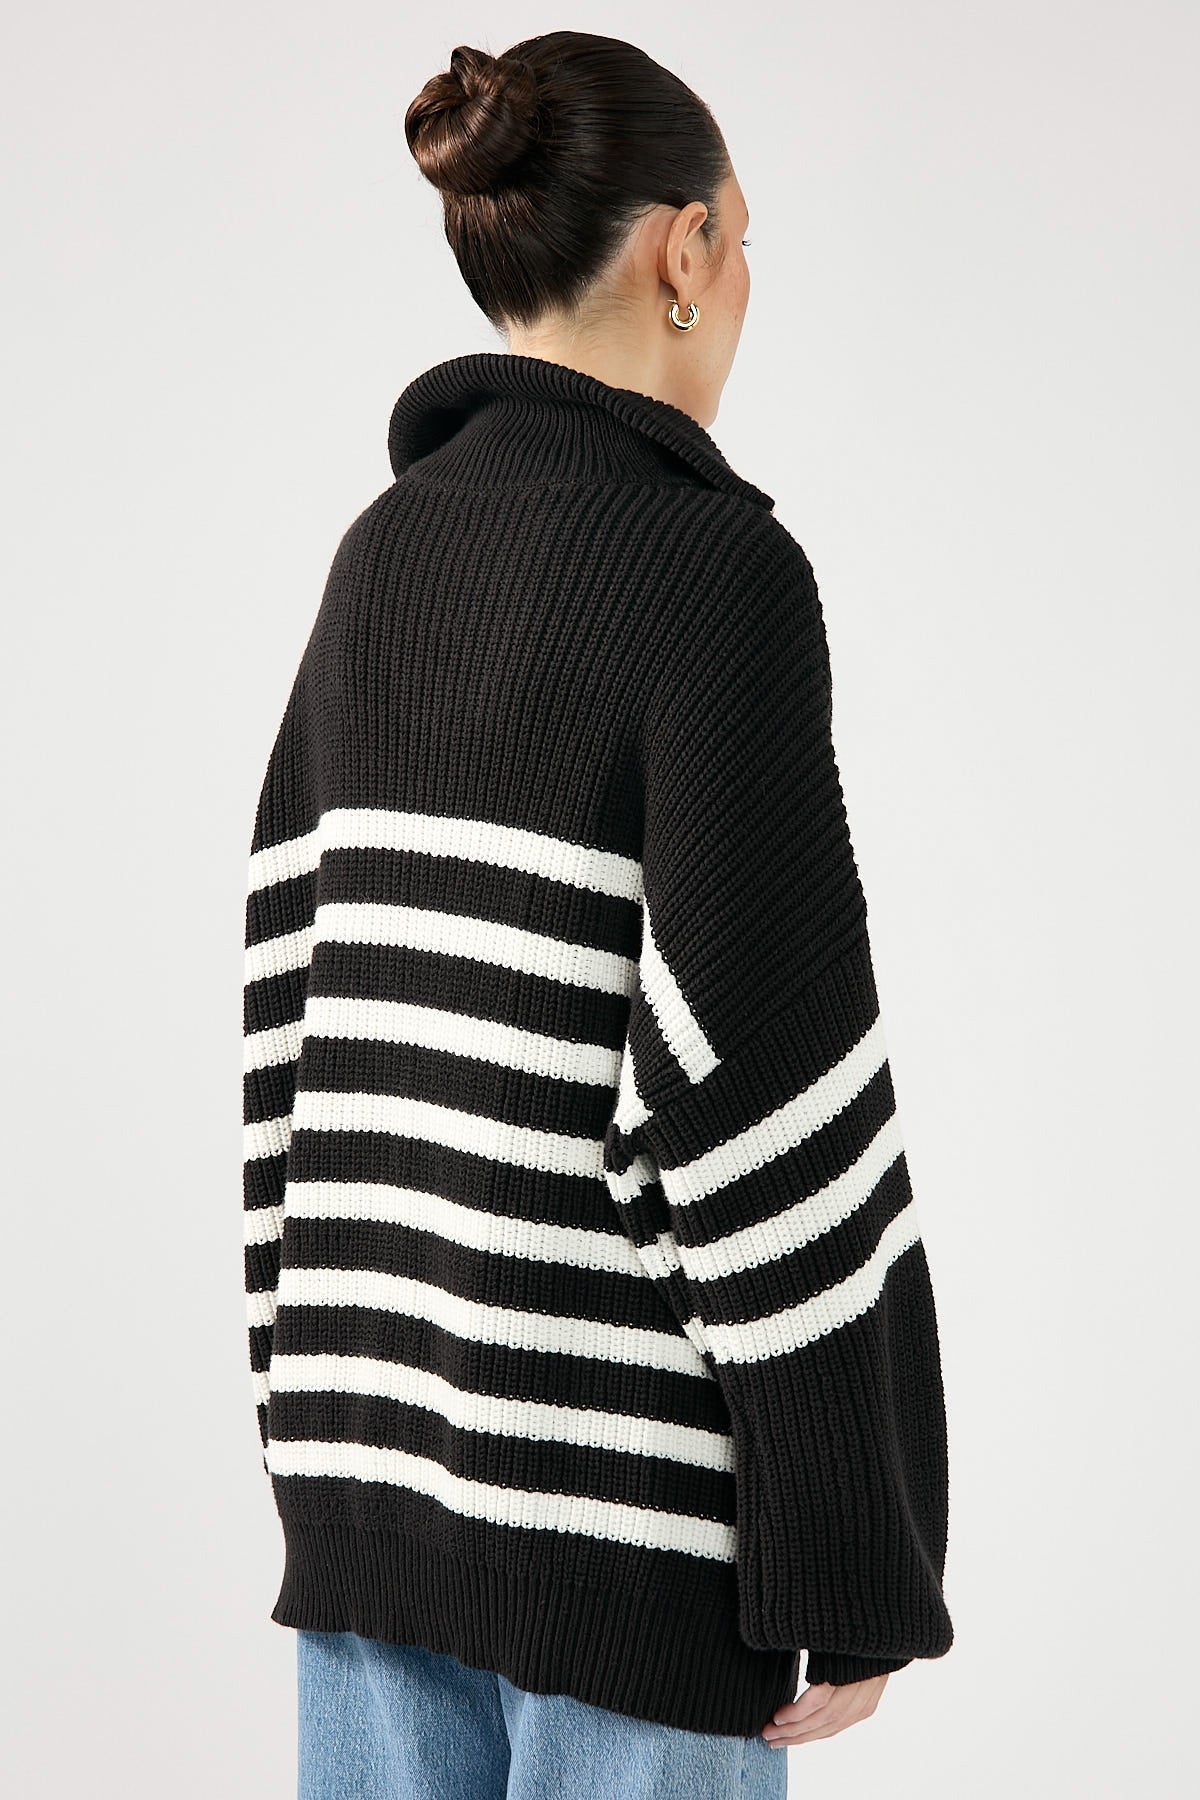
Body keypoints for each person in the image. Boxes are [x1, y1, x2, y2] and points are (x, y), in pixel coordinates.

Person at [241, 29, 954, 1799]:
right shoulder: (712, 572)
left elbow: (291, 1038)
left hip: (374, 1491)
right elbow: (759, 1090)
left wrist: (313, 1447)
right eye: (745, 239)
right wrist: (854, 1551)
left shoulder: (383, 557)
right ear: (683, 246)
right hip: (625, 1537)